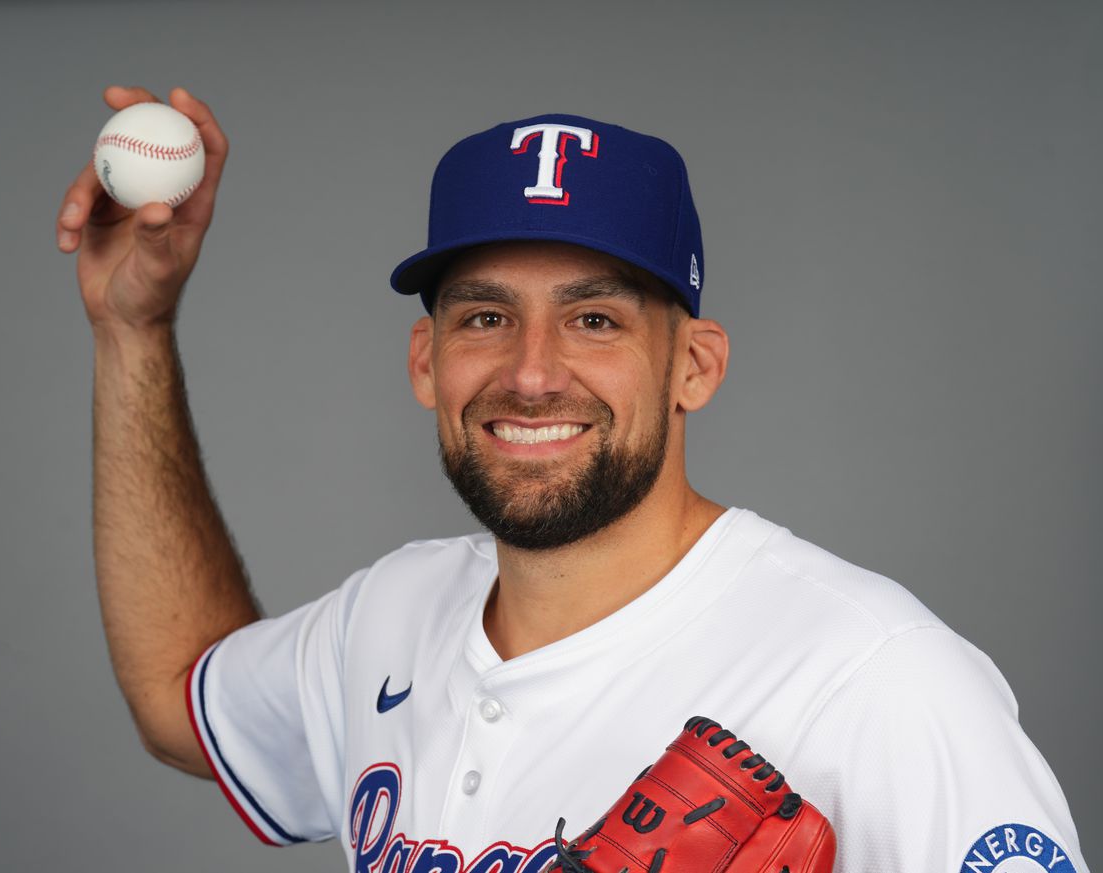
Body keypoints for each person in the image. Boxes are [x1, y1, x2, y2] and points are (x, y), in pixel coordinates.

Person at [57, 86, 1089, 873]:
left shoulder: (874, 680)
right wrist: (132, 329)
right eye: (483, 316)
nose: (532, 370)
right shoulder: (388, 615)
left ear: (692, 366)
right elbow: (175, 699)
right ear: (425, 362)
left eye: (594, 318)